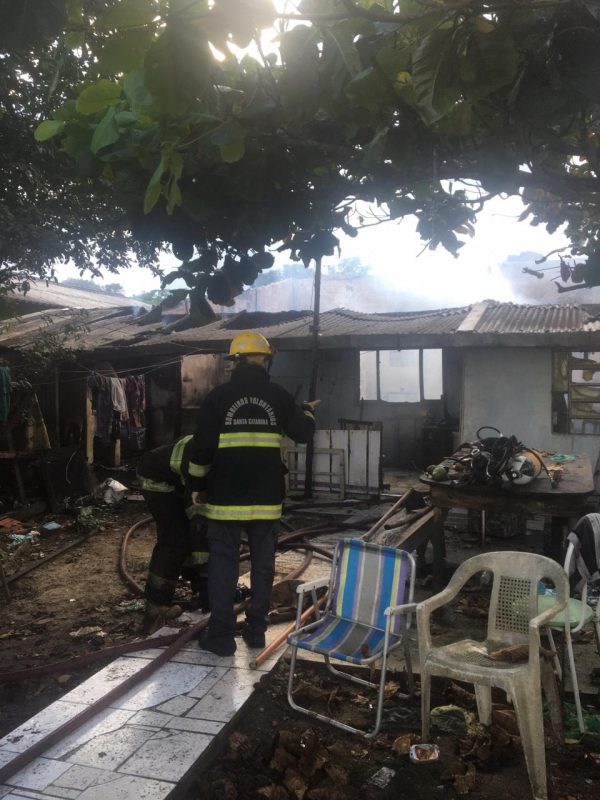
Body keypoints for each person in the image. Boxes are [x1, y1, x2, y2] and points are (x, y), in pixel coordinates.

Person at [187, 331, 318, 656]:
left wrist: (197, 485)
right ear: (266, 360)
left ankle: (221, 637)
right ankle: (256, 631)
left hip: (224, 498)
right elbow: (303, 433)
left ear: (235, 361)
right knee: (263, 566)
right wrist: (307, 411)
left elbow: (201, 447)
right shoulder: (278, 396)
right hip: (266, 498)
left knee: (223, 566)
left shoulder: (218, 397)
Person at [137, 435, 210, 633]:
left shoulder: (214, 449)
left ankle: (197, 588)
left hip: (178, 481)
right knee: (174, 539)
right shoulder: (201, 457)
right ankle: (156, 604)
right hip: (155, 477)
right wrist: (206, 574)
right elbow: (199, 521)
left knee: (191, 536)